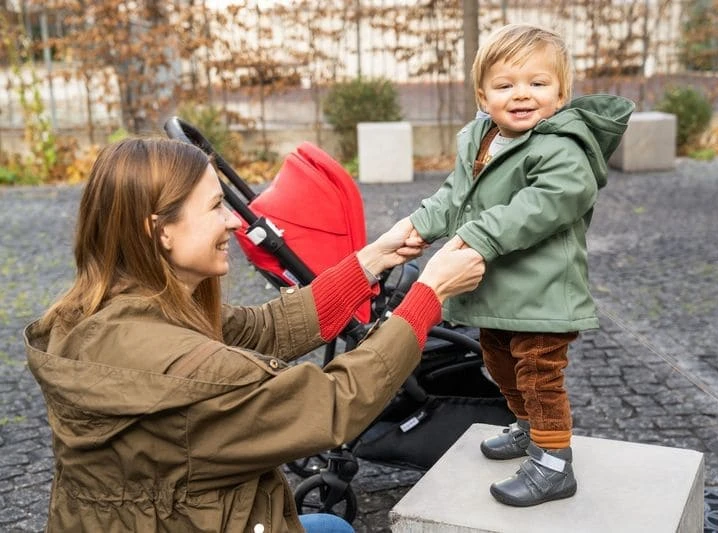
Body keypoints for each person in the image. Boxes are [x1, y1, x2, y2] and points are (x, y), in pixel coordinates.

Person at [23, 137, 486, 533]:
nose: (232, 221)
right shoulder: (187, 369)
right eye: (213, 207)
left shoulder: (102, 315)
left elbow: (263, 328)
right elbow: (334, 402)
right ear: (159, 229)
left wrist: (369, 260)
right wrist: (430, 292)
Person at [400, 24, 635, 507]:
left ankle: (553, 464)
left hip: (544, 290)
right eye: (506, 85)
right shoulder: (481, 138)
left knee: (539, 372)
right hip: (499, 291)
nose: (522, 95)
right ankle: (529, 428)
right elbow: (455, 194)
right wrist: (422, 224)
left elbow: (548, 203)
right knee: (498, 363)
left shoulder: (562, 148)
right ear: (484, 96)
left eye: (537, 83)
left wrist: (478, 236)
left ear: (562, 93)